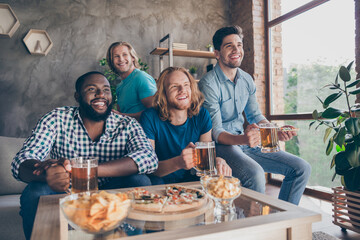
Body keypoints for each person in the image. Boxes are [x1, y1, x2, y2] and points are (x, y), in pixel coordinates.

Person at [11, 71, 158, 240]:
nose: (101, 94)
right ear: (77, 96)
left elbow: (149, 159)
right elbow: (20, 162)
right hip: (68, 191)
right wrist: (46, 174)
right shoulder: (57, 118)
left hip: (112, 190)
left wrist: (89, 170)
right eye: (91, 89)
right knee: (34, 191)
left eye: (106, 90)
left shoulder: (127, 124)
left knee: (139, 181)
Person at [198, 25, 311, 205]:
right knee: (255, 173)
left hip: (245, 143)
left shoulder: (247, 79)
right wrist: (244, 139)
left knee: (301, 168)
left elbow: (255, 115)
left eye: (239, 45)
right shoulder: (208, 84)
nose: (236, 50)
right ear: (217, 54)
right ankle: (255, 227)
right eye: (229, 46)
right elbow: (216, 132)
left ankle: (282, 222)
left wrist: (275, 131)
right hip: (222, 147)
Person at [140, 67, 232, 184]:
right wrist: (178, 163)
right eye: (174, 86)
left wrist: (218, 161)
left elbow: (206, 159)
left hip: (191, 179)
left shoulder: (202, 115)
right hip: (160, 180)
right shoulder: (149, 117)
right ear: (164, 93)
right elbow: (149, 167)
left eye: (186, 85)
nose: (182, 90)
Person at [106, 41, 157, 120]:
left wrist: (122, 116)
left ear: (132, 57)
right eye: (116, 56)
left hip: (142, 131)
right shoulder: (119, 87)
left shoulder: (141, 78)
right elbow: (122, 113)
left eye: (124, 54)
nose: (121, 59)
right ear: (111, 61)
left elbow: (155, 112)